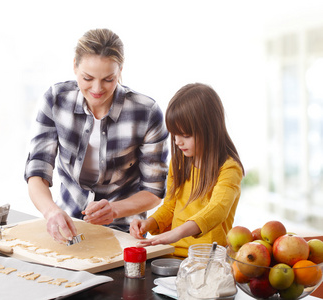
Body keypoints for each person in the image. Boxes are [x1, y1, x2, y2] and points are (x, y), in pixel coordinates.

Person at [25, 28, 169, 244]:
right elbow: (37, 172)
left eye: (108, 79)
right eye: (88, 78)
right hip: (67, 226)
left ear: (120, 70)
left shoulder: (146, 113)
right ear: (75, 65)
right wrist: (51, 212)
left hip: (124, 232)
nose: (97, 89)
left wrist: (114, 209)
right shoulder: (56, 100)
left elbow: (154, 191)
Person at [129, 83, 244, 257]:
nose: (177, 142)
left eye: (186, 135)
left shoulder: (229, 168)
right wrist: (149, 223)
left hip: (207, 259)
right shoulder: (179, 162)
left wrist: (176, 233)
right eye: (174, 134)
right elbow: (170, 206)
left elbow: (217, 210)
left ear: (210, 131)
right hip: (171, 254)